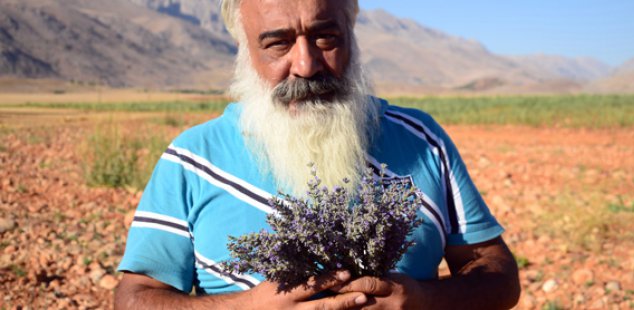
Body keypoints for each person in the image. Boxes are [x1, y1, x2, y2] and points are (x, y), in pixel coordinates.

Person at [115, 0, 521, 308]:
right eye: (278, 43)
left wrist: (421, 300)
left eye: (325, 37)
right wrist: (244, 306)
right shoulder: (192, 159)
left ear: (352, 33)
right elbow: (135, 297)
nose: (307, 65)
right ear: (245, 49)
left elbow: (497, 274)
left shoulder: (422, 141)